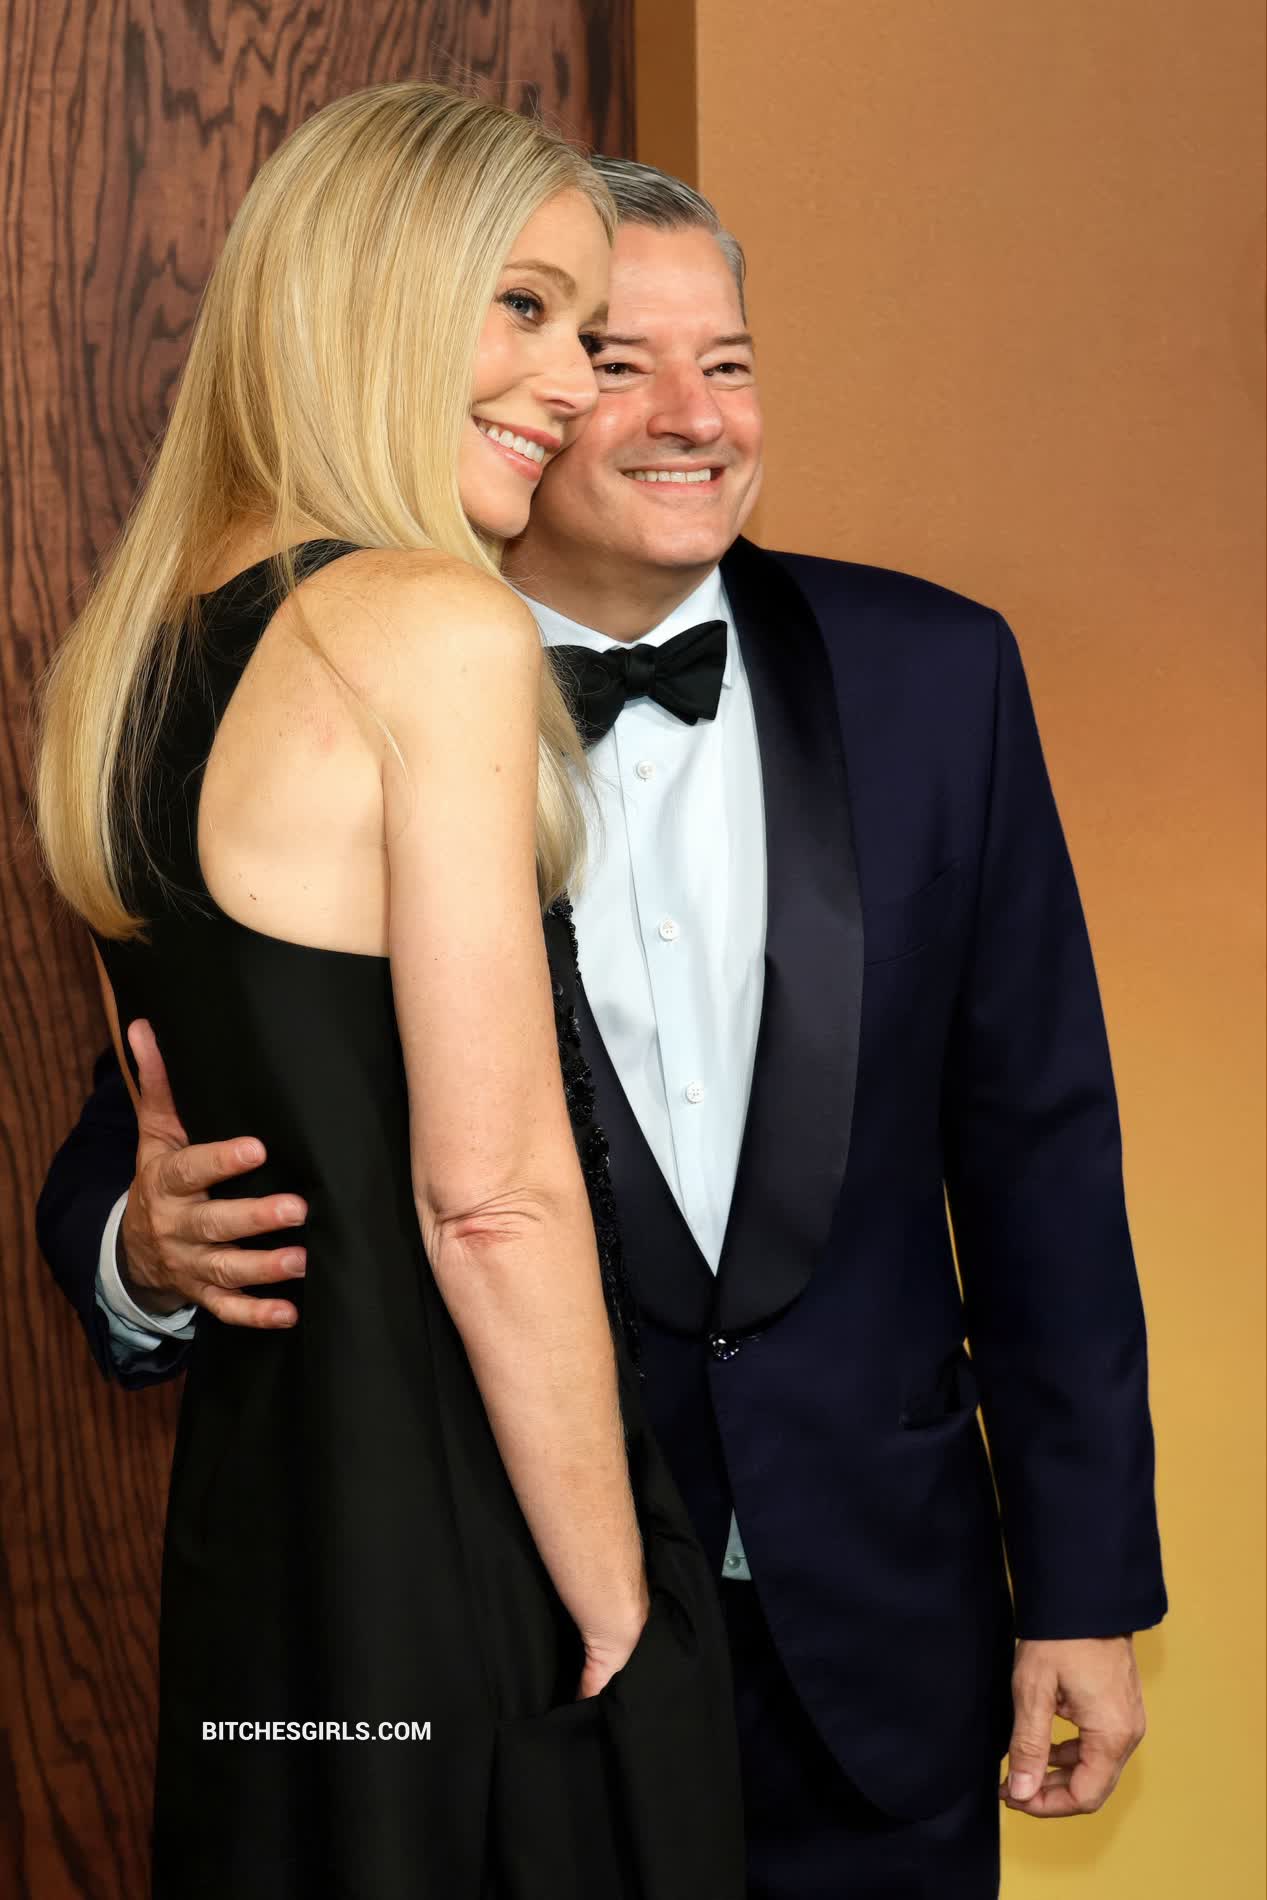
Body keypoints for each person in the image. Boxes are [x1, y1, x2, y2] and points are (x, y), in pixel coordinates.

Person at [37, 157, 1168, 1899]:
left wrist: (1083, 1588)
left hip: (880, 1639)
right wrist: (141, 1247)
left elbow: (1043, 1161)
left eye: (730, 363)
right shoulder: (355, 656)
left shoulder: (940, 675)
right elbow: (187, 1090)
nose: (682, 414)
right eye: (606, 352)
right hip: (517, 1632)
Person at [32, 94, 746, 1900]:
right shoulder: (429, 623)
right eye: (524, 309)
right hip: (457, 1535)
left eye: (585, 331)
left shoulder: (135, 659)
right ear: (372, 295)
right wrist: (625, 1614)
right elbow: (488, 1201)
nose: (572, 384)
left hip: (266, 1550)